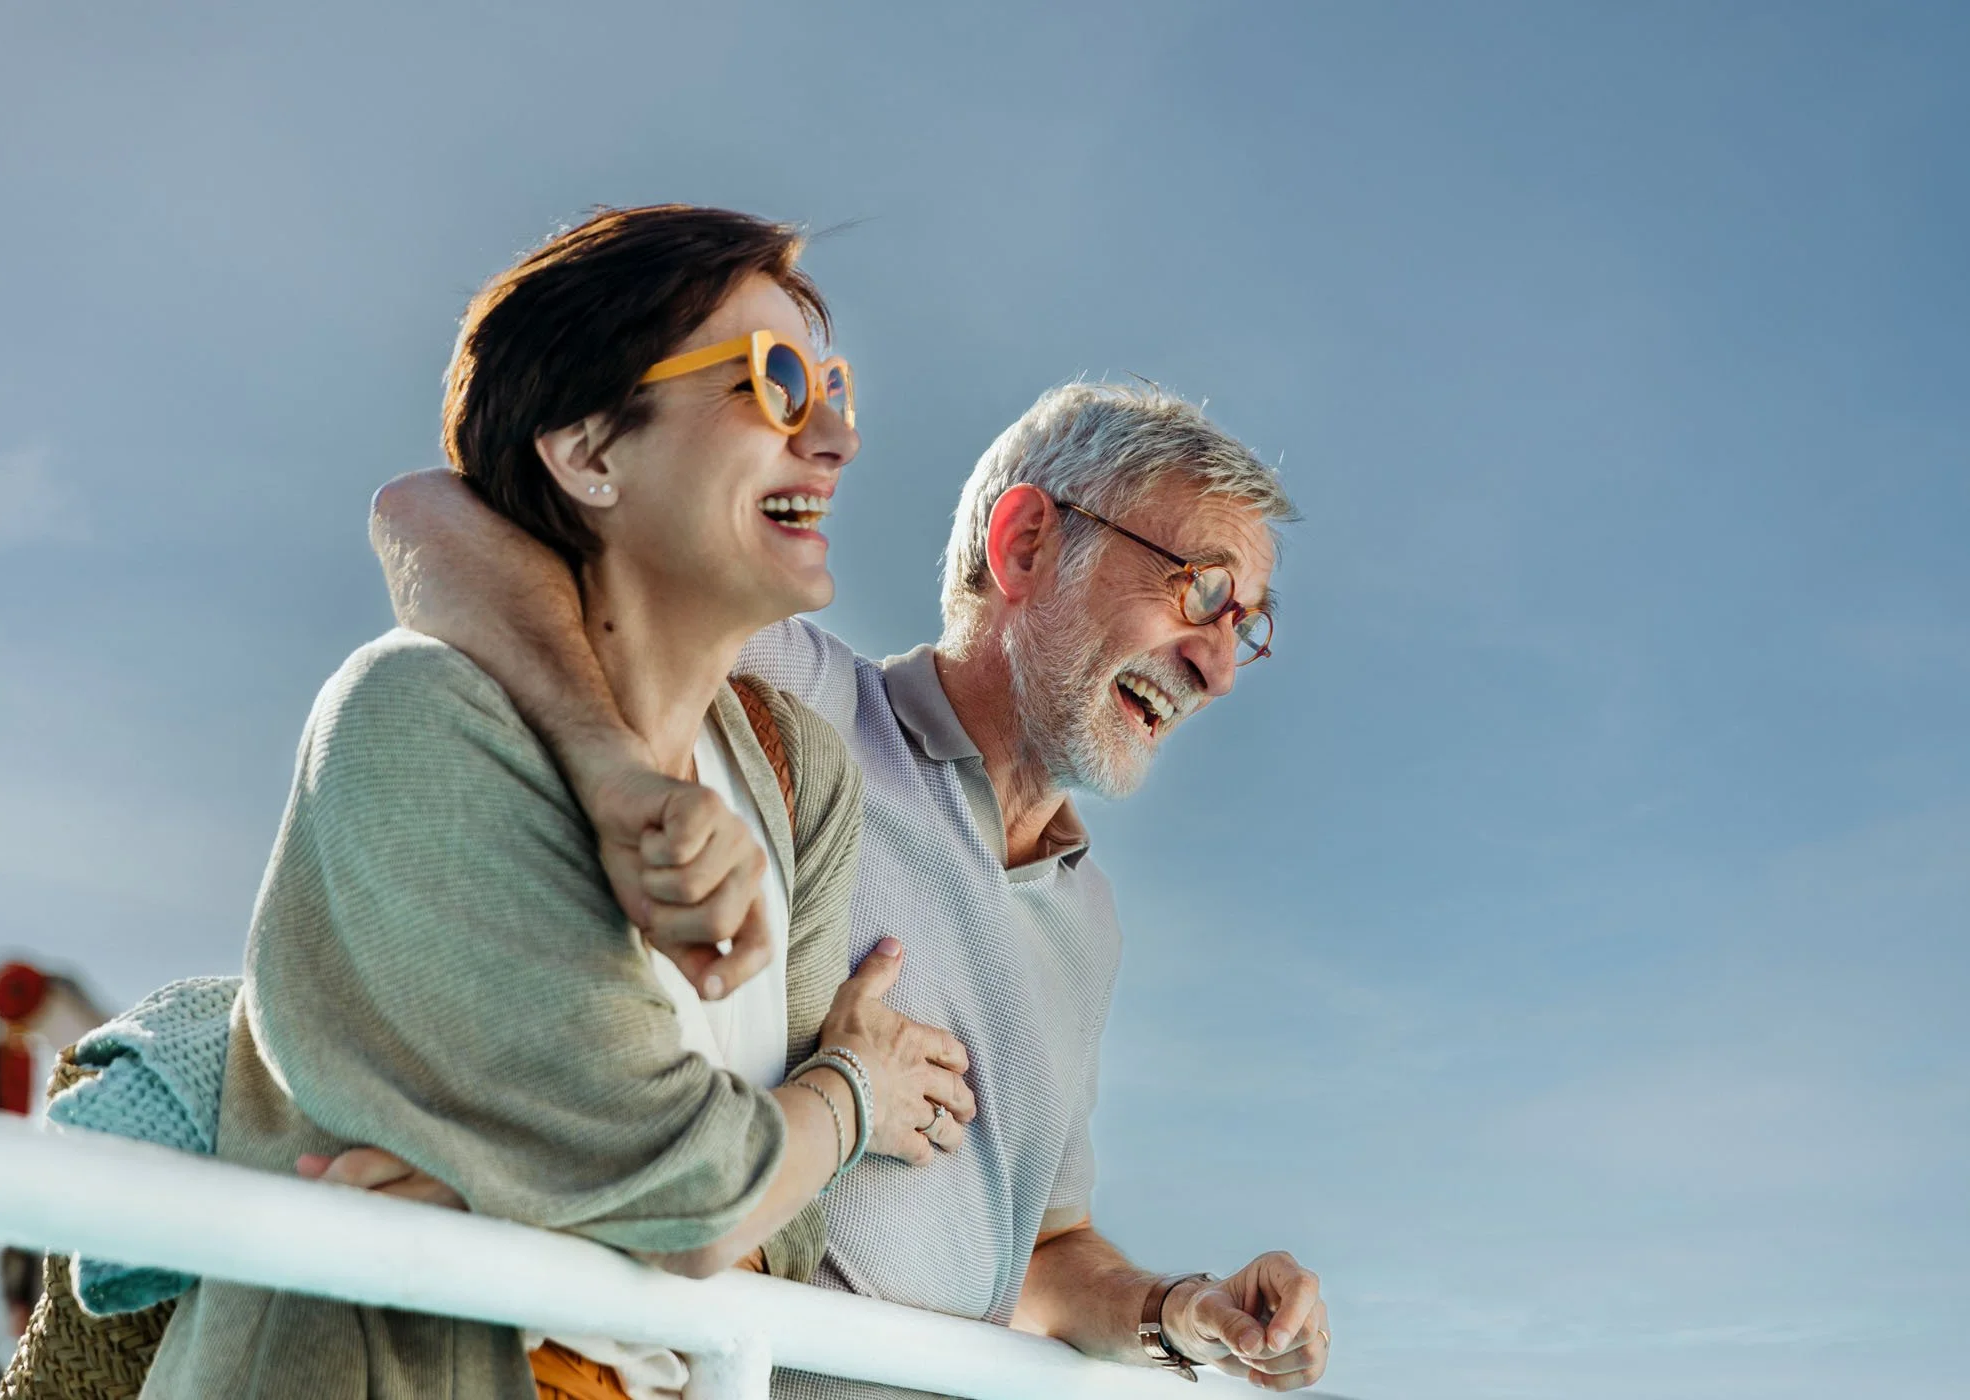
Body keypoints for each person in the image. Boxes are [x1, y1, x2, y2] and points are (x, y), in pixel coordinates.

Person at [89, 205, 975, 1400]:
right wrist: (850, 1092)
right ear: (590, 454)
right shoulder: (418, 718)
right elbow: (697, 1188)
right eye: (767, 383)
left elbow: (780, 1220)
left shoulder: (796, 774)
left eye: (832, 385)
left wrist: (541, 1218)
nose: (833, 437)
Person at [361, 378, 1333, 1395]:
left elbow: (1046, 1255)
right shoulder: (802, 692)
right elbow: (433, 513)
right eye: (1204, 591)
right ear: (1028, 543)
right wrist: (610, 770)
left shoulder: (1090, 920)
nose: (1219, 667)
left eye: (1246, 626)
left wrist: (1181, 1310)